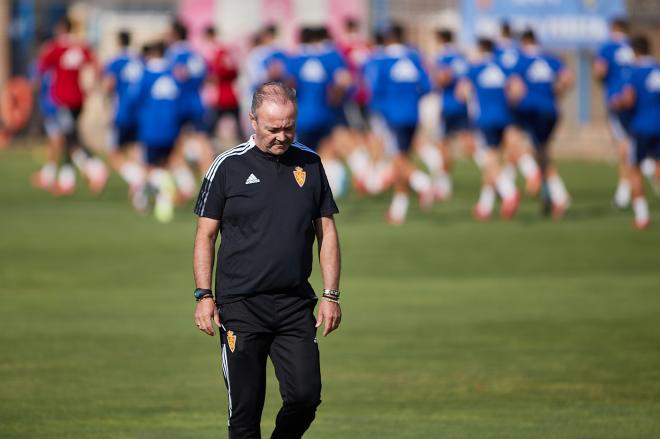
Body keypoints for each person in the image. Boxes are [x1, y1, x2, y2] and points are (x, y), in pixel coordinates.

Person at [192, 81, 342, 439]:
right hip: (241, 306)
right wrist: (203, 295)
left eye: (289, 127)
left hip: (293, 305)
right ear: (252, 120)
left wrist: (331, 295)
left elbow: (328, 234)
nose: (281, 136)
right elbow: (205, 236)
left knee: (305, 397)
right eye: (273, 128)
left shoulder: (310, 162)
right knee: (245, 412)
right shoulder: (226, 166)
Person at [35, 16, 108, 195]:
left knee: (71, 138)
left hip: (63, 100)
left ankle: (95, 168)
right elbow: (97, 64)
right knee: (69, 138)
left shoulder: (57, 48)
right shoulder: (81, 47)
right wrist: (93, 84)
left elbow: (41, 68)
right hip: (78, 99)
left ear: (61, 28)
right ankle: (66, 180)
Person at [508, 29, 572, 217]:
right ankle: (553, 196)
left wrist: (512, 102)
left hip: (529, 112)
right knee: (542, 152)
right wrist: (556, 93)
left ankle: (535, 177)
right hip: (550, 111)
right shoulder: (549, 58)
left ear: (523, 42)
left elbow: (515, 88)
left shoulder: (520, 60)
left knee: (513, 140)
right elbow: (568, 77)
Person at [457, 38, 520, 220]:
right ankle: (485, 206)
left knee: (489, 159)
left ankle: (509, 192)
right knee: (494, 158)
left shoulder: (474, 68)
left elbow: (461, 92)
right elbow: (517, 89)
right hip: (504, 116)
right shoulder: (504, 67)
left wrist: (472, 98)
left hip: (483, 118)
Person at [618, 35, 660, 229]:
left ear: (635, 51)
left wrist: (616, 103)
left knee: (633, 168)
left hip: (641, 126)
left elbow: (629, 99)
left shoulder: (634, 72)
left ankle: (642, 216)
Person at [594, 18, 635, 208]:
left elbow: (599, 71)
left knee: (623, 145)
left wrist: (604, 81)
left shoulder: (608, 48)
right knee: (635, 140)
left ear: (613, 29)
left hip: (617, 99)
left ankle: (624, 191)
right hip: (637, 99)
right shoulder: (634, 47)